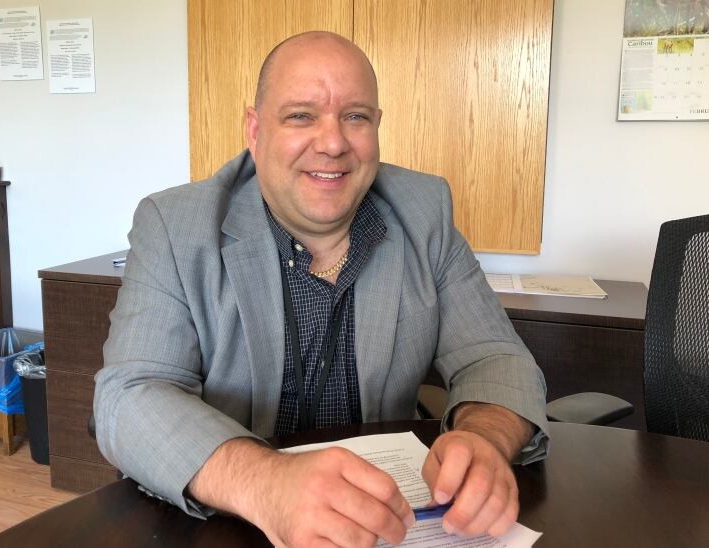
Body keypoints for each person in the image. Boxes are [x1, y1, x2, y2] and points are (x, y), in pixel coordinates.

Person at [95, 31, 549, 547]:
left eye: (355, 116)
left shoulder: (425, 214)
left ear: (377, 126)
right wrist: (265, 483)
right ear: (255, 129)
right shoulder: (175, 224)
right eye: (301, 116)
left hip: (386, 523)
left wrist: (484, 437)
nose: (333, 143)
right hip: (226, 525)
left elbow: (495, 358)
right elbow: (129, 396)